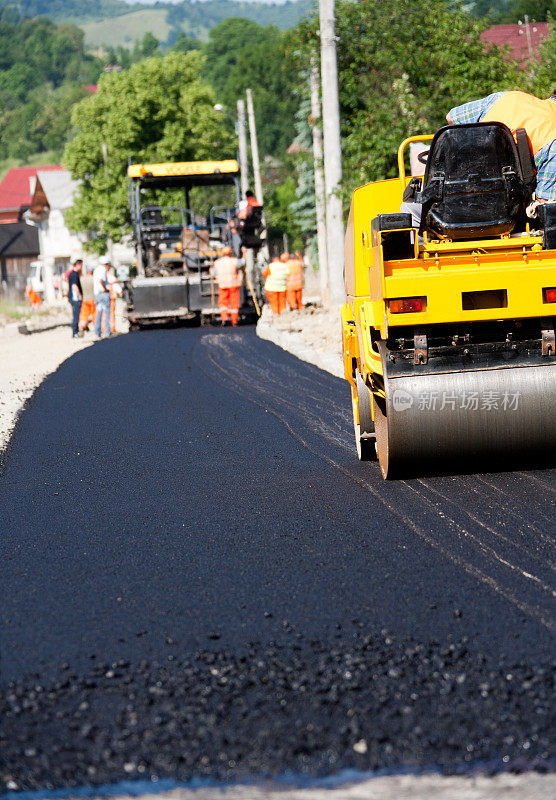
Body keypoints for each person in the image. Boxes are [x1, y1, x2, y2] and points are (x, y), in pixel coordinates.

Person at [446, 90, 556, 203]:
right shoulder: (553, 138)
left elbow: (451, 118)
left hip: (454, 193)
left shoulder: (506, 97)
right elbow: (545, 203)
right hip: (503, 206)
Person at [211, 245, 244, 326]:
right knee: (234, 304)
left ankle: (224, 319)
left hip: (222, 285)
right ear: (230, 252)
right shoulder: (234, 261)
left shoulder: (217, 262)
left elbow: (212, 273)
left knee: (223, 303)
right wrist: (244, 253)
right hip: (233, 285)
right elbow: (243, 262)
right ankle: (234, 321)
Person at [93, 256, 112, 338]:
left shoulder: (96, 270)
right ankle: (108, 331)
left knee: (99, 312)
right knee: (107, 313)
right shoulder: (103, 270)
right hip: (103, 294)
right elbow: (101, 280)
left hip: (97, 294)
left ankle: (97, 331)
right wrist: (105, 289)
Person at [67, 259, 83, 338]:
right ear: (78, 265)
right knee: (76, 315)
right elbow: (74, 286)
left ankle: (75, 331)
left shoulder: (72, 274)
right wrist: (79, 295)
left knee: (76, 315)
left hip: (73, 298)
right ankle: (75, 332)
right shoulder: (74, 274)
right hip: (75, 298)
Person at [79, 264, 95, 332]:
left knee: (84, 314)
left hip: (85, 299)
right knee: (95, 314)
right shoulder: (94, 279)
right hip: (93, 299)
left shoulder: (82, 279)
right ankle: (96, 327)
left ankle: (82, 326)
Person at [107, 266, 123, 333]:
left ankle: (105, 329)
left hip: (105, 296)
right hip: (111, 297)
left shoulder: (102, 275)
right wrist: (120, 292)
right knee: (111, 313)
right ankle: (111, 328)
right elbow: (115, 285)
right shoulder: (111, 277)